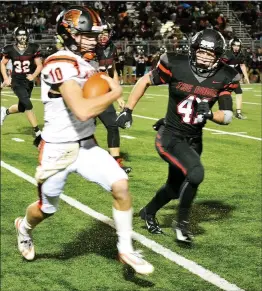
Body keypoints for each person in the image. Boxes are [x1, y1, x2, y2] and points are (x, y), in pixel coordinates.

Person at [14, 6, 153, 275]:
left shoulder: (87, 63)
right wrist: (114, 94)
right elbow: (82, 110)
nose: (95, 40)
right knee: (46, 209)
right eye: (87, 35)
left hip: (87, 144)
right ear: (69, 34)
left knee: (121, 186)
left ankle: (126, 249)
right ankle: (24, 227)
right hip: (57, 149)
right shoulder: (58, 63)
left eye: (95, 35)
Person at [116, 29, 240, 244]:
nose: (203, 56)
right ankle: (181, 224)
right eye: (201, 51)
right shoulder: (176, 64)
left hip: (194, 138)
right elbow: (145, 81)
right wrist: (128, 110)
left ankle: (147, 212)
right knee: (196, 173)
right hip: (170, 136)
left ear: (218, 56)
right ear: (193, 49)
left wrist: (210, 114)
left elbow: (227, 115)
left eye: (209, 54)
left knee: (174, 188)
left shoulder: (225, 75)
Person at [95, 22, 131, 174]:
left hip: (103, 94)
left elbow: (113, 72)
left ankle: (115, 163)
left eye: (106, 33)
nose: (103, 36)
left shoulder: (112, 48)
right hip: (85, 95)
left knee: (113, 125)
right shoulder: (88, 48)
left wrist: (118, 96)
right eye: (100, 33)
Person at [1, 26, 43, 146]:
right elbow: (2, 64)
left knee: (22, 107)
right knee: (27, 103)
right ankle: (38, 133)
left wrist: (34, 75)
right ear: (16, 36)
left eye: (24, 34)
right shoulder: (10, 49)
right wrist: (5, 78)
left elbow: (39, 65)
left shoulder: (33, 48)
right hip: (17, 81)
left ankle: (5, 111)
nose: (22, 37)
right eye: (20, 35)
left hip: (28, 81)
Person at [222, 37, 250, 119]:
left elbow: (242, 65)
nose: (236, 47)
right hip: (225, 77)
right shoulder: (227, 53)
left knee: (239, 93)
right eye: (234, 45)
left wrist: (246, 77)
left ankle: (238, 113)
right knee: (221, 95)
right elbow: (221, 65)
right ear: (231, 45)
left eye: (238, 45)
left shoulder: (240, 54)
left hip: (233, 77)